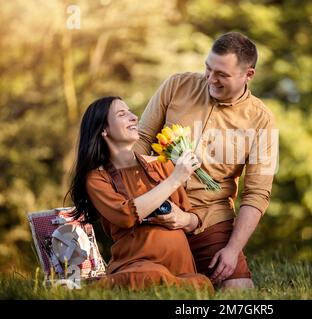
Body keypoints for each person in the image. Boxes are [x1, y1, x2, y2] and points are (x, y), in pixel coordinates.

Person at [134, 32, 278, 288]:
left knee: (239, 292)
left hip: (211, 220)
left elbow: (257, 194)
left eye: (222, 74)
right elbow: (143, 139)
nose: (210, 79)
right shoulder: (176, 85)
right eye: (208, 68)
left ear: (248, 75)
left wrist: (232, 250)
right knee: (147, 285)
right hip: (159, 208)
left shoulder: (262, 121)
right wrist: (136, 194)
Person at [67, 96, 213, 292]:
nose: (134, 117)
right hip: (137, 266)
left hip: (181, 268)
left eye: (130, 112)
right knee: (152, 276)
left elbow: (195, 220)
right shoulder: (96, 178)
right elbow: (125, 215)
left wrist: (183, 219)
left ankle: (173, 283)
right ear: (104, 130)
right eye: (122, 114)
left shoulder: (161, 165)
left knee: (202, 283)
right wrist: (175, 179)